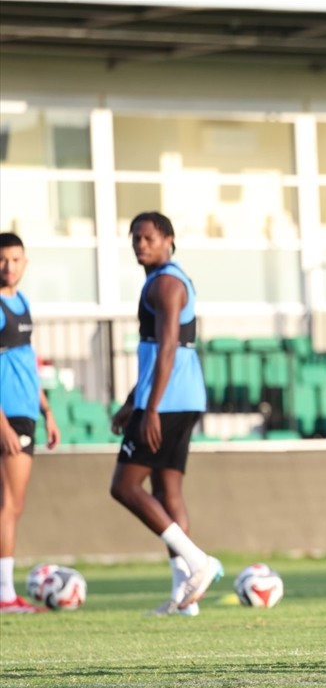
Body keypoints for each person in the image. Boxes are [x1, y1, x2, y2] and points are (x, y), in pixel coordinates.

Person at [109, 212, 222, 617]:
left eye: (149, 238)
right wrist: (132, 401)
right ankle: (183, 597)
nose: (141, 245)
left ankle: (197, 562)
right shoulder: (162, 281)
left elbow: (169, 347)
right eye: (135, 238)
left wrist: (151, 408)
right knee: (167, 491)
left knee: (124, 487)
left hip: (169, 401)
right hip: (179, 397)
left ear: (169, 240)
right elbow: (156, 351)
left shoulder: (166, 283)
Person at [0, 232, 61, 613]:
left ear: (25, 262)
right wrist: (3, 425)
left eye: (14, 259)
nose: (8, 267)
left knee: (10, 504)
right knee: (11, 504)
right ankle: (5, 594)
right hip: (8, 417)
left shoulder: (21, 302)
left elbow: (26, 362)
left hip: (25, 412)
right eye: (1, 259)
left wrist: (48, 410)